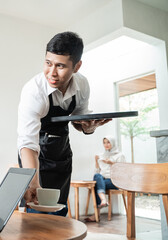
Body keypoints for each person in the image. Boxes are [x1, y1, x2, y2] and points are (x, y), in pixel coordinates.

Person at [17, 31, 111, 216]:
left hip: (61, 153)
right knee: (36, 214)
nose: (51, 73)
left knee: (59, 211)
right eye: (48, 63)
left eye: (60, 66)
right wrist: (33, 180)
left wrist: (87, 127)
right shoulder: (33, 91)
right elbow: (27, 143)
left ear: (76, 66)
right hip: (34, 155)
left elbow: (78, 119)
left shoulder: (82, 85)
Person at [85, 136, 126, 222]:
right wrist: (96, 161)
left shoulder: (120, 155)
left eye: (108, 142)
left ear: (113, 143)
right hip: (103, 180)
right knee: (97, 176)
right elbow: (97, 171)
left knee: (96, 184)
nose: (106, 144)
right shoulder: (102, 155)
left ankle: (97, 213)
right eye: (104, 142)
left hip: (115, 181)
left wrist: (112, 163)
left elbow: (123, 170)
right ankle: (103, 200)